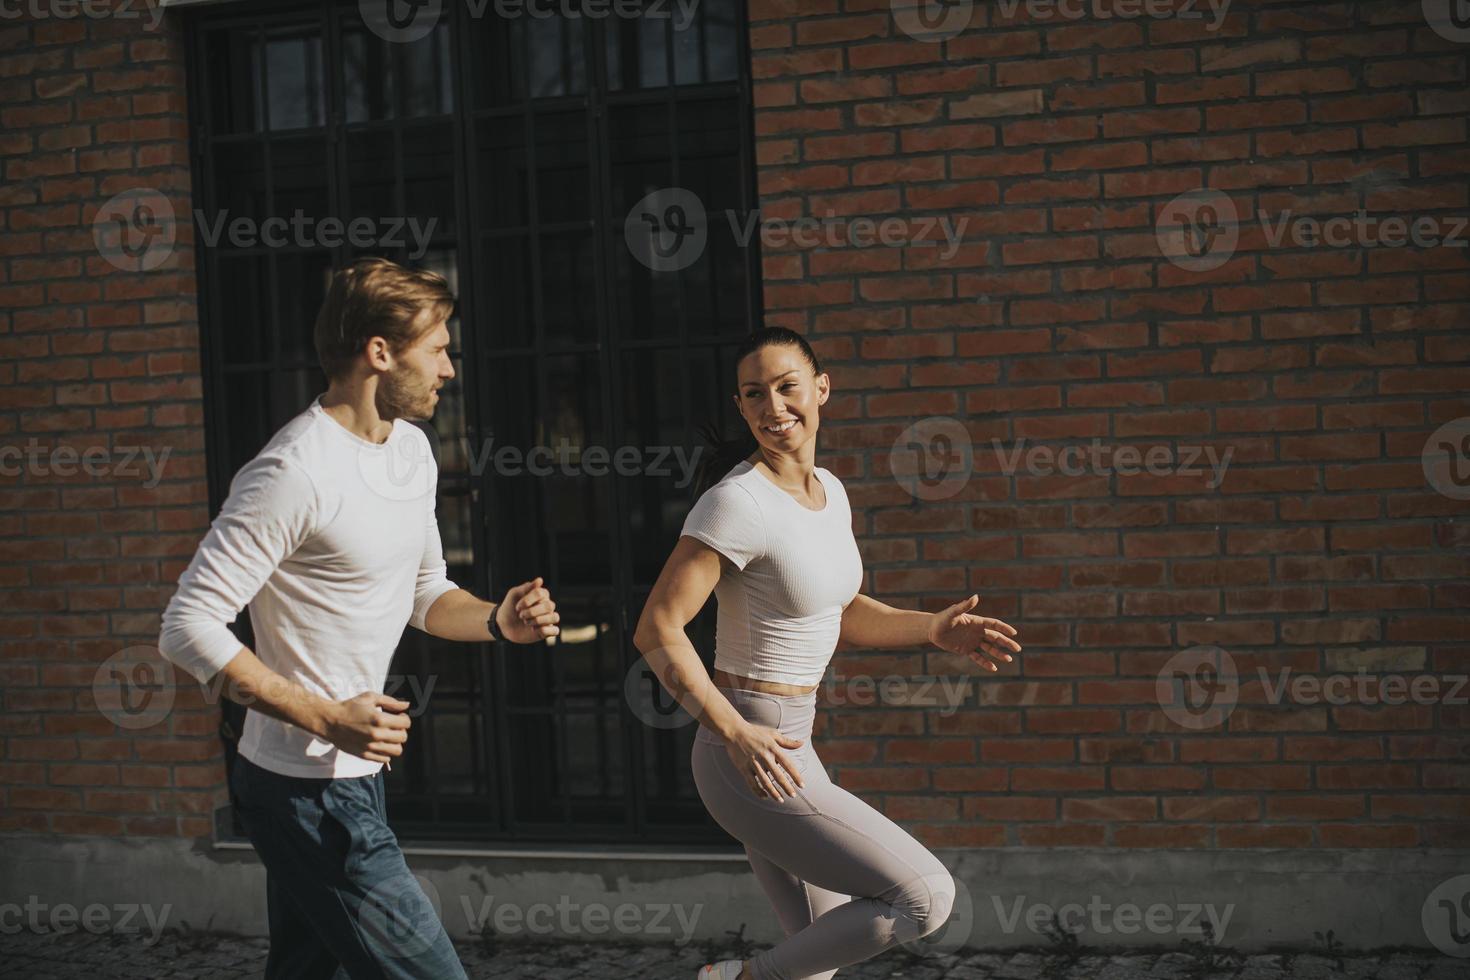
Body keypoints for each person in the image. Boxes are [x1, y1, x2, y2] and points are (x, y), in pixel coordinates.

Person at [158, 257, 561, 979]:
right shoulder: (293, 471)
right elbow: (188, 626)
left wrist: (499, 619)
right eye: (437, 349)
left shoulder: (411, 450)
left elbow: (425, 592)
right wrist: (324, 718)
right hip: (304, 788)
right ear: (381, 351)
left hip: (347, 780)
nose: (449, 370)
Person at [634, 327, 1023, 980]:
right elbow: (657, 628)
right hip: (745, 753)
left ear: (822, 389)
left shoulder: (828, 491)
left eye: (787, 387)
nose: (773, 406)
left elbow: (838, 610)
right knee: (924, 895)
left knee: (817, 956)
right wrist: (733, 731)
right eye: (754, 394)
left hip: (793, 745)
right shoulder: (737, 503)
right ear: (740, 406)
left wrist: (932, 629)